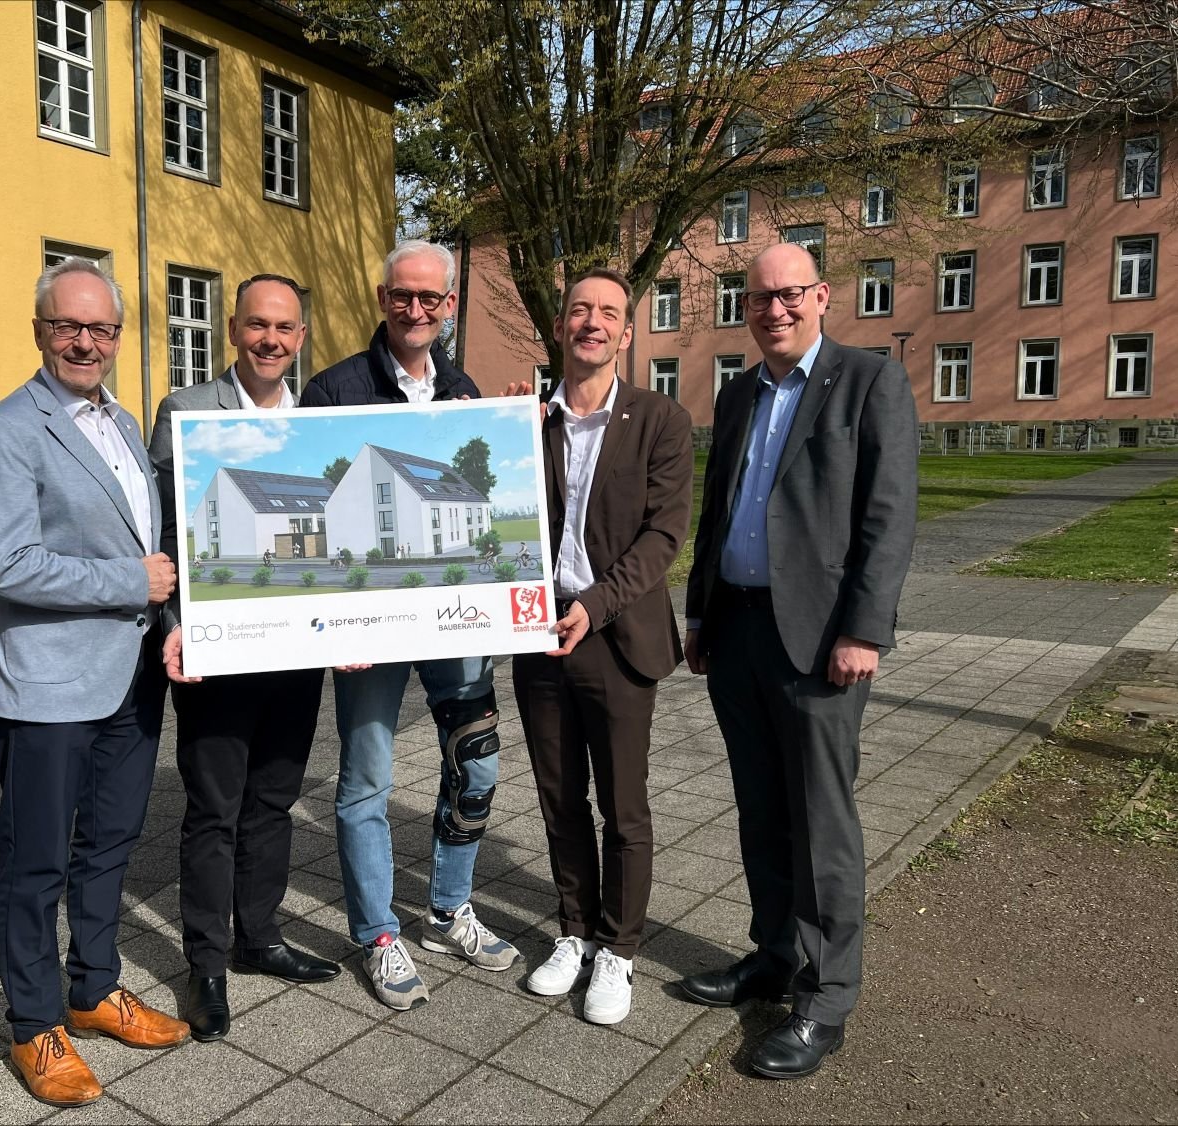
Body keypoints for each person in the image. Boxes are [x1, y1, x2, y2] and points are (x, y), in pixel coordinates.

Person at [676, 243, 918, 1078]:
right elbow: (716, 510)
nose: (772, 310)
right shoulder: (738, 392)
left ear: (821, 297)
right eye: (757, 298)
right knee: (759, 809)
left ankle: (825, 997)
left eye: (788, 295)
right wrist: (699, 613)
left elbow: (887, 516)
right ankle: (773, 956)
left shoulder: (869, 381)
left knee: (820, 821)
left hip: (820, 642)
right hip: (738, 631)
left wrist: (864, 631)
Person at [0, 258, 188, 1108]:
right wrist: (133, 584)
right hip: (48, 684)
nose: (85, 342)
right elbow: (6, 563)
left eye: (101, 328)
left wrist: (169, 623)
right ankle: (33, 1024)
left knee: (110, 845)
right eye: (68, 326)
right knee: (36, 861)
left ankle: (93, 990)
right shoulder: (4, 430)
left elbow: (151, 552)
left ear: (118, 336)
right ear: (39, 332)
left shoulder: (121, 423)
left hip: (130, 676)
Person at [299, 239, 519, 1010]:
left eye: (430, 297)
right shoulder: (333, 390)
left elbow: (478, 502)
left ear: (449, 305)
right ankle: (377, 935)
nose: (415, 309)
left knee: (477, 764)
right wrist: (334, 625)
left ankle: (449, 910)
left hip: (452, 620)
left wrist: (506, 428)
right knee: (366, 779)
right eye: (402, 295)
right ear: (383, 298)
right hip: (369, 625)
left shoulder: (462, 390)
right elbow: (319, 511)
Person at [148, 274, 340, 1043]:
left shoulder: (318, 422)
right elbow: (163, 527)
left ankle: (258, 936)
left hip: (295, 649)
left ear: (300, 338)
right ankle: (206, 965)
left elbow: (334, 535)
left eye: (284, 328)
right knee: (214, 809)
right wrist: (173, 622)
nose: (270, 339)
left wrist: (351, 630)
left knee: (273, 800)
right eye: (257, 324)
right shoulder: (187, 411)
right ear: (233, 330)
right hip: (217, 647)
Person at [513, 269, 693, 1025]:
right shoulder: (526, 420)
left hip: (615, 635)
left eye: (609, 313)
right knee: (559, 799)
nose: (592, 322)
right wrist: (486, 434)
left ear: (625, 332)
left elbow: (664, 536)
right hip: (536, 632)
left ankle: (618, 949)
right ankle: (574, 931)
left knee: (623, 807)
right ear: (560, 325)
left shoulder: (660, 418)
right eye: (579, 310)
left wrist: (594, 604)